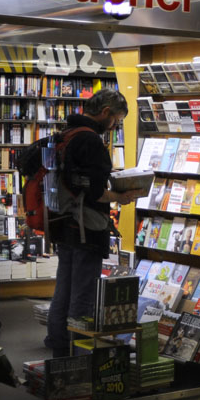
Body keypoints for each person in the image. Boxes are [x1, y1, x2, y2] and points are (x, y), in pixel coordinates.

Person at [44, 89, 148, 357]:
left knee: (63, 287)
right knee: (83, 294)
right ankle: (79, 354)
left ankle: (58, 343)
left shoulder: (67, 134)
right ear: (105, 113)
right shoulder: (91, 142)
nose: (114, 126)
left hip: (63, 222)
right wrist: (122, 196)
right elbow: (96, 192)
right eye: (115, 120)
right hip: (85, 227)